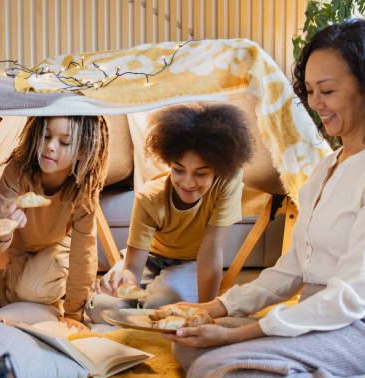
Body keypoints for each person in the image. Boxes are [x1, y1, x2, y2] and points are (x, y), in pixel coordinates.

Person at [166, 19, 365, 378]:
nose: (315, 103)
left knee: (214, 374)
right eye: (309, 91)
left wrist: (237, 336)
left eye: (327, 90)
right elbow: (291, 271)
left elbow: (351, 298)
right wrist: (215, 309)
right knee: (189, 346)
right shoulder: (328, 166)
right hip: (318, 311)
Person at [86, 104, 252, 322]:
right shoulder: (149, 198)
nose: (188, 183)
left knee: (159, 306)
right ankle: (135, 301)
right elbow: (133, 269)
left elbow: (210, 252)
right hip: (151, 260)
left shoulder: (226, 183)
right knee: (100, 308)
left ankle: (146, 303)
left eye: (201, 174)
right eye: (178, 170)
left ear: (218, 170)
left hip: (192, 262)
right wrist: (122, 280)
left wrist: (205, 312)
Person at [0, 116, 109, 331]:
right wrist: (4, 231)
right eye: (46, 136)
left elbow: (84, 254)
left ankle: (49, 288)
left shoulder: (83, 188)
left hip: (58, 245)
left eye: (64, 142)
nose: (50, 147)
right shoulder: (18, 170)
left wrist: (74, 314)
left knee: (29, 291)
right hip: (22, 250)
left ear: (81, 151)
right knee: (6, 294)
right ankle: (27, 289)